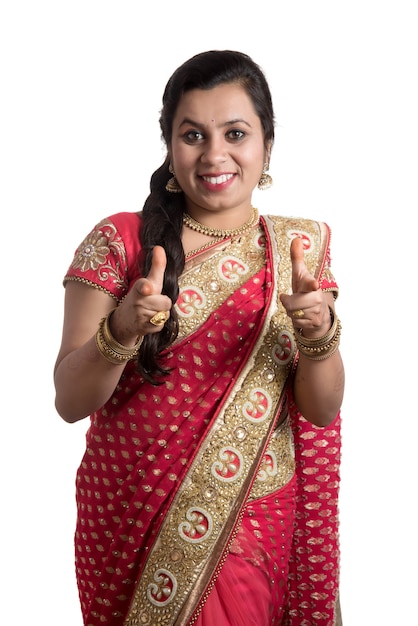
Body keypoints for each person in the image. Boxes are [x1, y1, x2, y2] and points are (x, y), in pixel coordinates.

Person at [54, 50, 345, 626]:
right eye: (193, 135)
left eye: (236, 133)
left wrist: (321, 337)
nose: (215, 155)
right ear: (169, 145)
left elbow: (321, 408)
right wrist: (123, 329)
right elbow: (68, 400)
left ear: (266, 143)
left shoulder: (298, 251)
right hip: (132, 514)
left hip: (250, 518)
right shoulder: (121, 241)